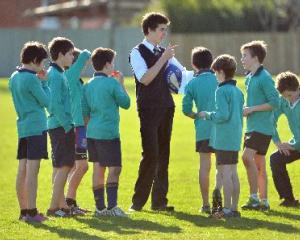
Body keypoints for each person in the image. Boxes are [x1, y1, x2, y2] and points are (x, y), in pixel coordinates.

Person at [129, 12, 184, 212]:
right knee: (151, 155)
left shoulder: (163, 51)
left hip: (167, 107)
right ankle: (137, 203)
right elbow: (145, 78)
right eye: (161, 29)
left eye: (165, 29)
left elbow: (180, 76)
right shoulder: (137, 52)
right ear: (150, 30)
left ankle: (159, 202)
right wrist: (163, 59)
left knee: (163, 155)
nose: (164, 33)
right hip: (149, 109)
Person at [82, 47, 130, 217]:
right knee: (115, 168)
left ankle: (100, 208)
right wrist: (121, 84)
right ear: (108, 64)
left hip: (92, 133)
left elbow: (84, 112)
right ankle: (112, 207)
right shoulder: (111, 83)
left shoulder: (88, 85)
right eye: (113, 63)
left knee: (98, 168)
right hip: (108, 133)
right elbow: (126, 103)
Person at [9, 41, 49, 222]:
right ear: (34, 60)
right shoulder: (32, 79)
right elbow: (46, 101)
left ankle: (24, 211)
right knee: (33, 171)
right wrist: (45, 83)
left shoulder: (14, 76)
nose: (43, 66)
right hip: (36, 127)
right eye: (41, 62)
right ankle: (32, 212)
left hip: (23, 127)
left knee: (22, 170)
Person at [199, 54, 244, 218]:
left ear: (221, 72)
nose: (215, 76)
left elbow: (223, 115)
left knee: (225, 173)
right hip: (235, 136)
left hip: (224, 138)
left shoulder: (221, 90)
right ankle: (234, 208)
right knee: (233, 172)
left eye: (215, 72)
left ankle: (225, 209)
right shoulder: (238, 91)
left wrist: (208, 115)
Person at [240, 40, 279, 211]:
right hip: (252, 127)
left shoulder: (264, 77)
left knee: (246, 157)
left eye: (245, 56)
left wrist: (252, 109)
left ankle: (254, 198)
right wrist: (246, 109)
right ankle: (264, 201)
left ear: (255, 58)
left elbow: (275, 102)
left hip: (261, 127)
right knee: (258, 165)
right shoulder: (249, 77)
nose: (242, 59)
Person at [182, 46, 220, 214]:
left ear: (193, 64)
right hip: (222, 129)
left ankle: (205, 204)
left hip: (203, 129)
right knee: (223, 167)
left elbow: (186, 109)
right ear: (211, 63)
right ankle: (219, 203)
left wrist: (196, 116)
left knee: (205, 166)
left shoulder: (192, 83)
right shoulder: (220, 79)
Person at [46, 37, 76, 217]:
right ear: (60, 55)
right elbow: (54, 104)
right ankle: (53, 208)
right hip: (60, 126)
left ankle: (62, 205)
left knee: (59, 167)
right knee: (65, 166)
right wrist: (67, 125)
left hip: (59, 125)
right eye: (71, 53)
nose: (73, 56)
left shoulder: (59, 72)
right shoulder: (55, 75)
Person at [64, 48, 91, 214]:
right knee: (82, 166)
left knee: (75, 166)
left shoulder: (76, 80)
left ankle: (70, 203)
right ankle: (69, 201)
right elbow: (85, 55)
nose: (84, 65)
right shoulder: (70, 76)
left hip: (80, 126)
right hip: (76, 127)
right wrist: (83, 55)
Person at [270, 71, 300, 207]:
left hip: (296, 145)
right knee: (275, 159)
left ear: (298, 89)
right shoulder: (283, 100)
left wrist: (294, 146)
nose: (289, 99)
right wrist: (278, 143)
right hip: (295, 145)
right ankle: (288, 199)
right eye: (285, 96)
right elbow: (271, 120)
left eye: (290, 95)